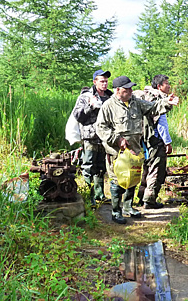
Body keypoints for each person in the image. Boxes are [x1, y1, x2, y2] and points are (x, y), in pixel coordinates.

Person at [95, 75, 180, 224]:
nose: (130, 90)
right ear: (118, 90)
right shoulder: (108, 106)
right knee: (117, 181)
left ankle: (128, 207)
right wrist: (117, 139)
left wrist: (167, 102)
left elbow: (152, 108)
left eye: (131, 88)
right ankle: (116, 211)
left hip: (134, 150)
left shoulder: (135, 102)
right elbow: (101, 128)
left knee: (133, 179)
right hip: (117, 152)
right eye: (127, 89)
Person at [71, 69, 112, 206]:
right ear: (95, 82)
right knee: (88, 166)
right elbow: (78, 116)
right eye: (102, 81)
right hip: (90, 137)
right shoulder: (85, 96)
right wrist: (91, 106)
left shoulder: (109, 96)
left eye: (106, 81)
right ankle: (88, 196)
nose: (104, 84)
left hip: (105, 137)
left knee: (101, 167)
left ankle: (100, 195)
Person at [136, 75, 173, 209]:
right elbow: (161, 124)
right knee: (156, 170)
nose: (169, 86)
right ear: (159, 86)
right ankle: (149, 200)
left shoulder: (145, 96)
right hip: (155, 140)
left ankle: (141, 197)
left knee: (146, 169)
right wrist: (167, 142)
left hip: (144, 140)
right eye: (166, 84)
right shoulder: (158, 100)